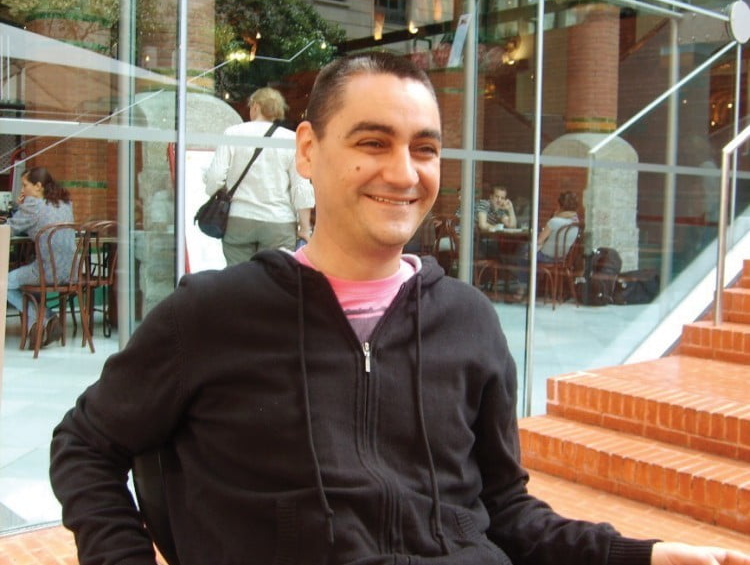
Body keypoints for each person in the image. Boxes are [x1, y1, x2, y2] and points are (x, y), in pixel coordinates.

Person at [49, 53, 750, 565]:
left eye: (425, 149)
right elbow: (85, 445)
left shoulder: (469, 322)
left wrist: (641, 555)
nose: (404, 172)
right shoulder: (212, 315)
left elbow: (503, 509)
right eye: (372, 142)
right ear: (307, 150)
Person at [204, 86, 315, 265]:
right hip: (278, 222)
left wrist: (215, 194)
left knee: (239, 277)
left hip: (238, 220)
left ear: (255, 106)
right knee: (275, 278)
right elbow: (300, 187)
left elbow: (215, 176)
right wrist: (304, 227)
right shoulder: (291, 140)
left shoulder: (233, 133)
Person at [6, 166, 75, 347]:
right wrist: (22, 208)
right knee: (23, 279)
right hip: (71, 272)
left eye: (25, 185)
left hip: (46, 272)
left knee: (3, 284)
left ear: (38, 186)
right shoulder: (65, 203)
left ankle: (46, 318)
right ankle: (38, 328)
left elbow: (9, 229)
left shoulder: (33, 205)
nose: (22, 190)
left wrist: (20, 208)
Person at [511, 190, 580, 302]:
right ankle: (533, 287)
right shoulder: (576, 221)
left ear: (560, 205)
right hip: (562, 258)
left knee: (524, 255)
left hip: (546, 257)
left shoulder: (554, 221)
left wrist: (554, 216)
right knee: (526, 251)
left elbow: (539, 241)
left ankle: (522, 289)